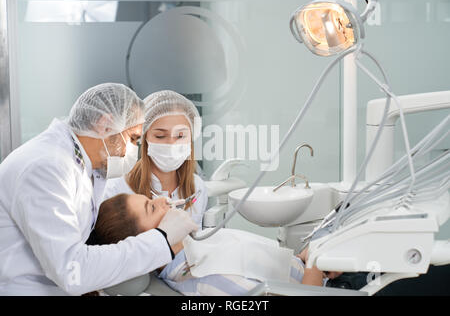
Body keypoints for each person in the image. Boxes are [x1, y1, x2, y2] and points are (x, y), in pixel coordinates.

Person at [0, 83, 198, 295]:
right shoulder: (47, 168)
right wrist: (162, 240)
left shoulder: (82, 166)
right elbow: (72, 271)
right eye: (132, 139)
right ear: (105, 125)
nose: (132, 150)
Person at [94, 193, 339, 295]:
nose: (162, 199)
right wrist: (315, 262)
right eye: (152, 207)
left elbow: (271, 274)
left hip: (324, 275)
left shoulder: (198, 247)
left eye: (150, 198)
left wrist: (306, 260)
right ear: (145, 242)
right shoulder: (205, 278)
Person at [103, 90, 208, 229]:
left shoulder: (197, 187)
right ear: (145, 138)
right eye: (160, 136)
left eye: (181, 136)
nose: (171, 144)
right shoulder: (115, 190)